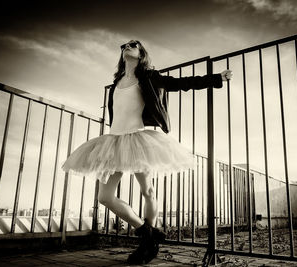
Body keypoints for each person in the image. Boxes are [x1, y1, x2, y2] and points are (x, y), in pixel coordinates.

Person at [61, 40, 232, 264]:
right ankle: (148, 233)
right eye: (124, 45)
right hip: (113, 141)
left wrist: (216, 78)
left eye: (133, 44)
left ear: (141, 54)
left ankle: (145, 246)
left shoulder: (149, 77)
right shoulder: (117, 82)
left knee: (148, 192)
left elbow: (180, 83)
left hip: (137, 141)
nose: (127, 46)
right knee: (104, 197)